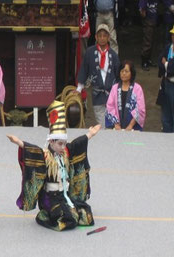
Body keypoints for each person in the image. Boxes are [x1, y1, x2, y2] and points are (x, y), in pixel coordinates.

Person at [7, 101, 101, 231]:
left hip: (64, 195)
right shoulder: (45, 155)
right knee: (67, 220)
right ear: (51, 141)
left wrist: (90, 134)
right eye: (60, 144)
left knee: (86, 216)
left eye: (64, 143)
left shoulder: (66, 153)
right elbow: (33, 150)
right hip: (50, 198)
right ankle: (44, 214)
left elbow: (77, 144)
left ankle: (67, 209)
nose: (63, 147)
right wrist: (19, 142)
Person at [76, 23, 120, 128]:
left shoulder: (113, 55)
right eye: (100, 36)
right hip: (97, 93)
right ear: (96, 37)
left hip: (111, 94)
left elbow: (118, 74)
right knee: (102, 123)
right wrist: (79, 89)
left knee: (112, 122)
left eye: (105, 36)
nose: (102, 38)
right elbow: (84, 70)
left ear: (109, 38)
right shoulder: (90, 52)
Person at [105, 61, 146, 131]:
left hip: (133, 127)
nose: (124, 73)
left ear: (131, 73)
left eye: (126, 71)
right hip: (116, 127)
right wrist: (116, 124)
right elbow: (110, 106)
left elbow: (140, 109)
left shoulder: (137, 88)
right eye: (122, 71)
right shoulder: (115, 88)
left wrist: (130, 125)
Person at [158, 26, 174, 132]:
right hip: (166, 83)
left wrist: (166, 63)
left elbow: (171, 68)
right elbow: (160, 61)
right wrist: (166, 65)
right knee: (165, 116)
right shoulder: (168, 47)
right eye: (173, 35)